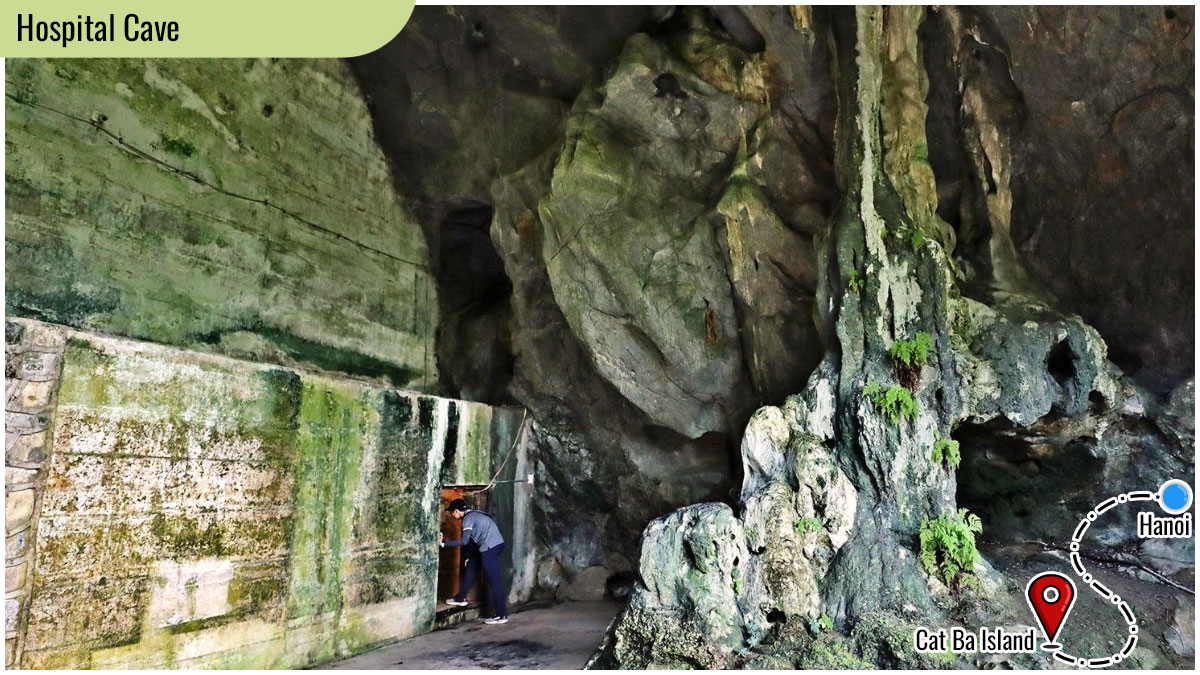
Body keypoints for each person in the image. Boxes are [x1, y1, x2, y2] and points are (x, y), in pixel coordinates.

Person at [439, 498, 508, 624]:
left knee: (494, 582)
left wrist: (444, 543)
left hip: (489, 548)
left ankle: (502, 615)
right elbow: (473, 540)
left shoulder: (467, 519)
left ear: (456, 511)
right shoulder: (474, 514)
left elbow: (464, 541)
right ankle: (461, 598)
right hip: (491, 545)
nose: (452, 515)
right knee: (471, 567)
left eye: (451, 513)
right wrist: (468, 556)